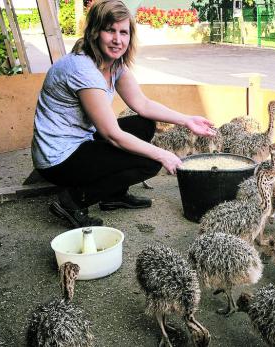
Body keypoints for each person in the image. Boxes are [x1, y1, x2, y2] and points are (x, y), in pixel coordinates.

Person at [31, 0, 215, 228]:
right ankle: (73, 201)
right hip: (58, 160)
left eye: (124, 32)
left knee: (144, 125)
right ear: (95, 32)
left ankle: (113, 196)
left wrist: (187, 120)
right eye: (110, 30)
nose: (118, 40)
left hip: (80, 143)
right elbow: (112, 135)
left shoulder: (114, 64)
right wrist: (162, 154)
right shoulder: (82, 69)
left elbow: (143, 104)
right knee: (149, 163)